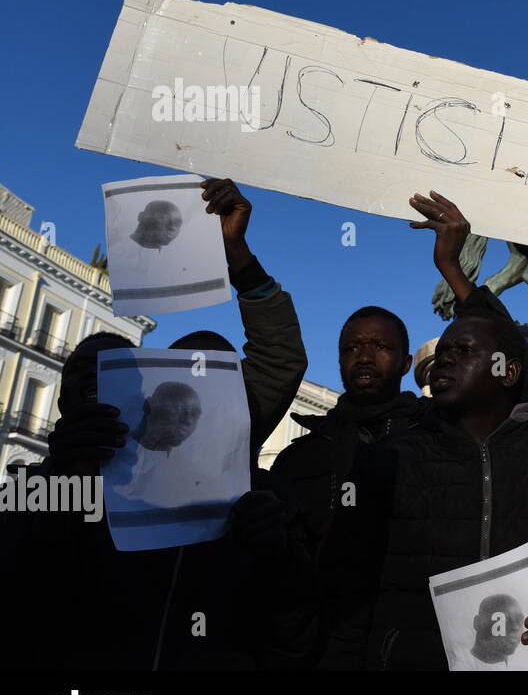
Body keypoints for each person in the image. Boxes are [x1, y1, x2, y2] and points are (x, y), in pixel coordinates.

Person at [248, 189, 528, 669]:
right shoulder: (388, 463)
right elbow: (346, 599)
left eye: (464, 351)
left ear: (508, 370)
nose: (444, 360)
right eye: (442, 352)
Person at [2, 179, 306, 670]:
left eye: (215, 376)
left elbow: (279, 356)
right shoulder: (81, 470)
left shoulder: (256, 491)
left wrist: (238, 257)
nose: (197, 390)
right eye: (183, 374)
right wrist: (58, 475)